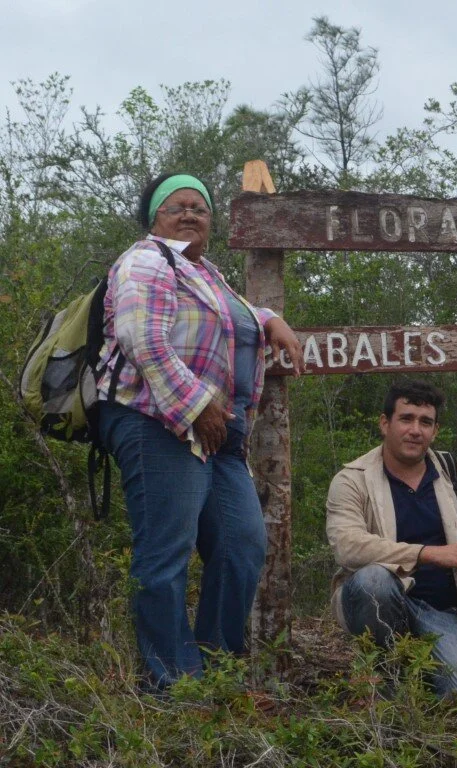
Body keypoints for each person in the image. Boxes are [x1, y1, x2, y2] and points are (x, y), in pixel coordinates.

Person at [97, 172, 305, 688]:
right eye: (178, 206)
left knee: (242, 546)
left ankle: (216, 673)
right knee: (165, 554)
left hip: (220, 436)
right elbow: (141, 337)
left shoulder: (206, 271)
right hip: (157, 421)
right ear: (155, 218)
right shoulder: (146, 259)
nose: (191, 214)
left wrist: (269, 316)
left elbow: (222, 315)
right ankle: (172, 685)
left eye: (201, 208)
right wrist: (197, 405)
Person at [325, 381, 457, 696]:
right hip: (377, 600)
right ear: (384, 423)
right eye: (406, 418)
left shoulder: (452, 472)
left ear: (435, 429)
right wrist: (427, 554)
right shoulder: (352, 479)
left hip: (441, 610)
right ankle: (384, 676)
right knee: (375, 580)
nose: (415, 430)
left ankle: (425, 669)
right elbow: (347, 546)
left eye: (425, 421)